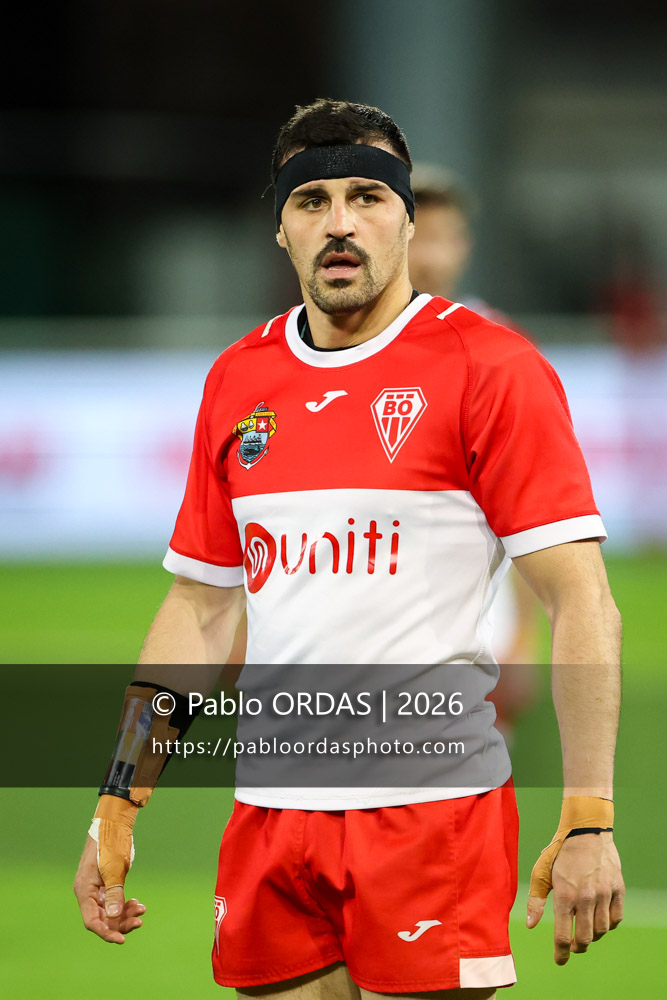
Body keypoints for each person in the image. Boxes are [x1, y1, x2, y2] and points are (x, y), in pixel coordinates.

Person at [74, 99, 624, 999]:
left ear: (409, 219)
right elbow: (201, 609)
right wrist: (118, 798)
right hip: (271, 813)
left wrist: (590, 818)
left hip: (431, 812)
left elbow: (582, 600)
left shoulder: (489, 367)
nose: (339, 223)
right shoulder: (238, 379)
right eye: (311, 201)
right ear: (280, 230)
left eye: (367, 197)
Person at [407, 163, 543, 743]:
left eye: (448, 238)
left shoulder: (500, 348)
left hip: (478, 625)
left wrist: (528, 631)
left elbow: (535, 504)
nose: (435, 258)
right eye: (421, 239)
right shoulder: (334, 346)